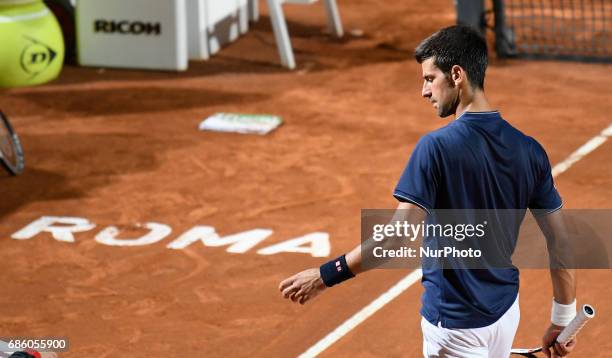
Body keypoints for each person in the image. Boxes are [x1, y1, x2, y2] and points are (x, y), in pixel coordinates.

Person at [279, 25, 577, 358]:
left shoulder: (435, 148)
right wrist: (562, 319)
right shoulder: (530, 150)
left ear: (457, 74)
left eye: (429, 78)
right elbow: (561, 242)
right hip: (504, 313)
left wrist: (324, 276)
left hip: (455, 326)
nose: (424, 90)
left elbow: (393, 240)